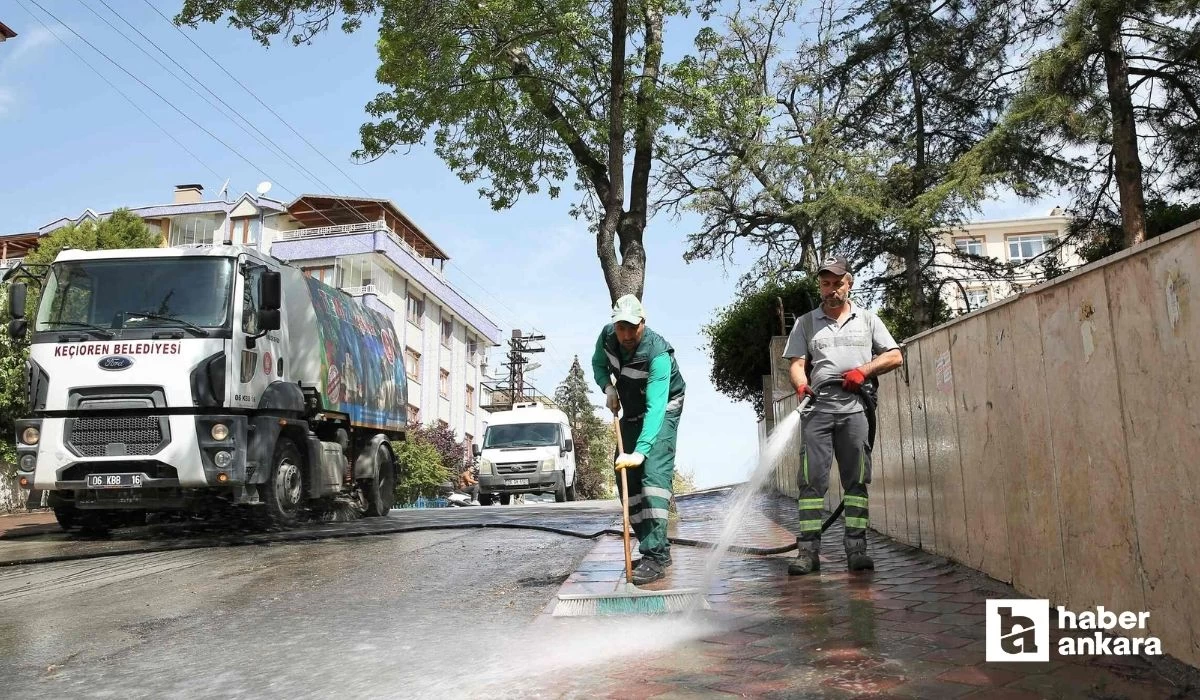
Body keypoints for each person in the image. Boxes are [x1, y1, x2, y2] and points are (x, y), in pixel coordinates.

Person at [782, 257, 903, 575]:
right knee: (810, 485)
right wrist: (801, 383)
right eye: (825, 283)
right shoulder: (806, 323)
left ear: (849, 283)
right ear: (820, 286)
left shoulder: (868, 320)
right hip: (817, 413)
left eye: (837, 283)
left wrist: (863, 371)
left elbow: (894, 356)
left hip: (855, 412)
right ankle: (808, 553)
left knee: (856, 483)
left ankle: (857, 550)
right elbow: (796, 363)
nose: (831, 289)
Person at [591, 294, 687, 585]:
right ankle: (653, 547)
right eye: (621, 327)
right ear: (614, 325)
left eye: (633, 327)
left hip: (663, 410)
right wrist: (607, 387)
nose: (627, 334)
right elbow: (598, 364)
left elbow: (656, 408)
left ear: (643, 324)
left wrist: (642, 451)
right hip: (631, 409)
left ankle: (656, 556)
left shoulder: (658, 354)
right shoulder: (607, 338)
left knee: (652, 479)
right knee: (626, 478)